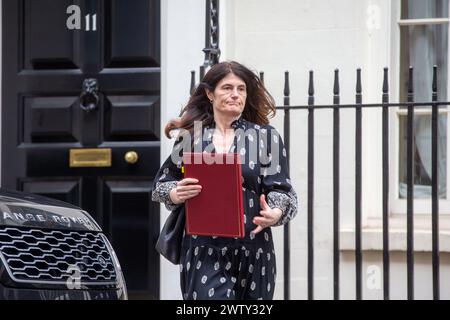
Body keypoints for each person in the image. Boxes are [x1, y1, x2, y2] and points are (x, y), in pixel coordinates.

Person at [151, 61, 298, 300]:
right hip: (203, 249)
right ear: (210, 94)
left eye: (241, 89)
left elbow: (281, 190)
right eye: (227, 87)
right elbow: (162, 185)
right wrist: (176, 192)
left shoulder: (266, 137)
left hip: (254, 248)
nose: (235, 94)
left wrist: (276, 212)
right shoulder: (191, 136)